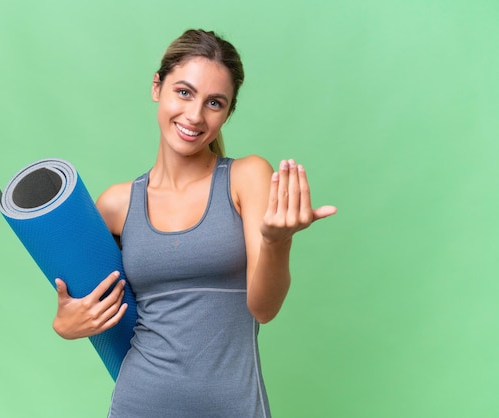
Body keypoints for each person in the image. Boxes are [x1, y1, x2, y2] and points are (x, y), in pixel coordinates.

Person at [52, 29, 337, 417]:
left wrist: (276, 242)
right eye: (184, 92)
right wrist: (65, 324)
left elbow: (264, 308)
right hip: (139, 404)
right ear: (157, 86)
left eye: (214, 103)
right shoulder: (117, 203)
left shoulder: (246, 177)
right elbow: (89, 305)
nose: (194, 115)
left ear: (228, 112)